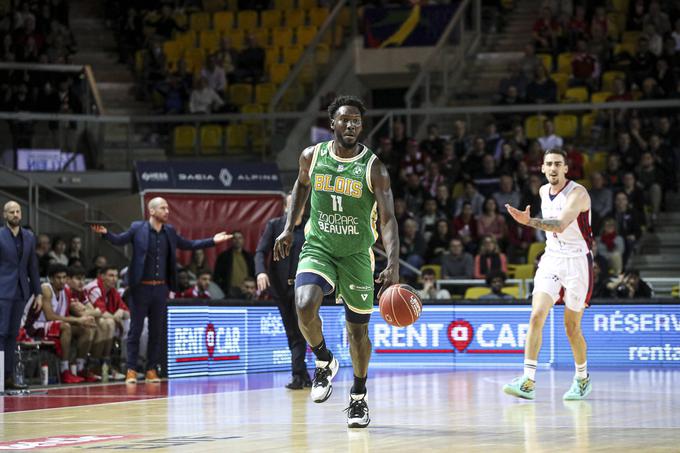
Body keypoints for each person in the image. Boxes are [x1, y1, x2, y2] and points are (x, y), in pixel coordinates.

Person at [273, 95, 399, 429]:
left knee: (358, 333)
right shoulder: (311, 157)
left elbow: (387, 219)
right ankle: (324, 360)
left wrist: (394, 263)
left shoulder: (374, 168)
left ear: (362, 125)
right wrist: (289, 228)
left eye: (356, 120)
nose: (351, 125)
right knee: (303, 303)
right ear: (332, 123)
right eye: (345, 119)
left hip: (357, 255)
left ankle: (358, 396)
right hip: (319, 247)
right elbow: (301, 187)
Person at [90, 197, 232, 384]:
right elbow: (119, 239)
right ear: (152, 211)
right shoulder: (137, 228)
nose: (167, 211)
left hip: (160, 289)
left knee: (156, 331)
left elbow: (188, 244)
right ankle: (131, 369)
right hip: (141, 288)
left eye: (167, 208)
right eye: (163, 208)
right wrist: (106, 233)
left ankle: (151, 369)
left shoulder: (170, 232)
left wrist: (212, 241)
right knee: (136, 329)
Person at [503, 148, 593, 401]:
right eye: (549, 164)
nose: (553, 168)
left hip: (577, 262)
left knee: (571, 327)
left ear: (566, 168)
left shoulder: (578, 193)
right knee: (536, 316)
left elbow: (561, 225)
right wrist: (530, 221)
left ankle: (582, 378)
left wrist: (528, 222)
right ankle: (528, 381)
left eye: (558, 164)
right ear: (542, 168)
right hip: (552, 259)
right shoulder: (543, 191)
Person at [255, 194, 311, 390]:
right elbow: (260, 251)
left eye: (300, 202)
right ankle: (303, 374)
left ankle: (298, 375)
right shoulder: (274, 225)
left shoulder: (310, 226)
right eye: (293, 203)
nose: (297, 206)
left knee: (299, 330)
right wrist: (261, 272)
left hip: (304, 287)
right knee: (292, 332)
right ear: (286, 206)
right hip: (280, 287)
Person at [26, 263, 97, 383]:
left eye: (64, 277)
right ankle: (65, 370)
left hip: (50, 325)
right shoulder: (46, 289)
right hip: (34, 326)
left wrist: (84, 320)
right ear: (51, 279)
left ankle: (80, 368)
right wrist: (78, 320)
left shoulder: (66, 292)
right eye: (58, 278)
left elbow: (70, 314)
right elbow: (50, 316)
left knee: (86, 329)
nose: (62, 281)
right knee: (66, 327)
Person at [0, 201, 42, 391]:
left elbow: (32, 266)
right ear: (4, 215)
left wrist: (38, 293)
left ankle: (8, 376)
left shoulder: (29, 236)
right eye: (11, 212)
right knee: (0, 333)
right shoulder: (0, 235)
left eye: (17, 211)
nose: (15, 214)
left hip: (21, 291)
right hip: (2, 290)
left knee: (12, 335)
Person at [214, 231, 255, 297]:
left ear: (243, 240)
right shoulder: (224, 257)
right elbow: (217, 276)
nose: (237, 240)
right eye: (235, 238)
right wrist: (223, 289)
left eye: (240, 238)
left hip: (247, 292)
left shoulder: (249, 257)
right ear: (231, 241)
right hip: (229, 292)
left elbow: (253, 273)